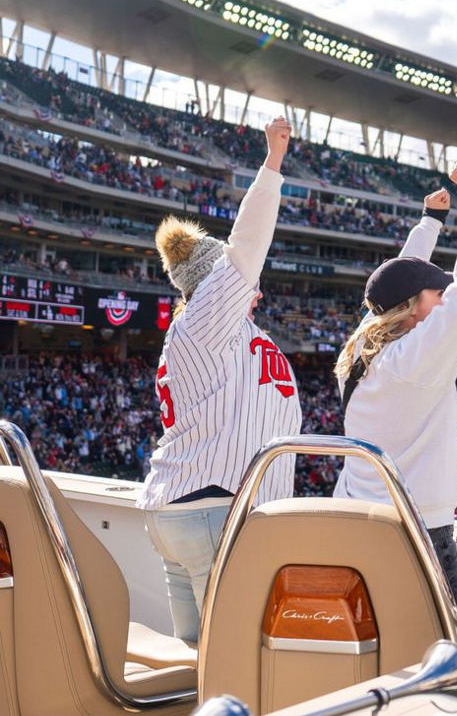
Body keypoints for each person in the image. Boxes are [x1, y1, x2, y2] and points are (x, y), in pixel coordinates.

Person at [137, 117, 298, 642]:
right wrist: (272, 164)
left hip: (189, 506)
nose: (251, 284)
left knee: (196, 655)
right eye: (233, 278)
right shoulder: (207, 319)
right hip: (213, 508)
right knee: (233, 656)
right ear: (211, 285)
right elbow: (246, 248)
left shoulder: (223, 334)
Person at [334, 157, 457, 613]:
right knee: (436, 657)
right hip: (418, 531)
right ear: (411, 307)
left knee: (373, 650)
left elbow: (389, 284)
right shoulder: (415, 359)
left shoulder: (360, 351)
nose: (444, 299)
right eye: (436, 294)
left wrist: (430, 222)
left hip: (359, 520)